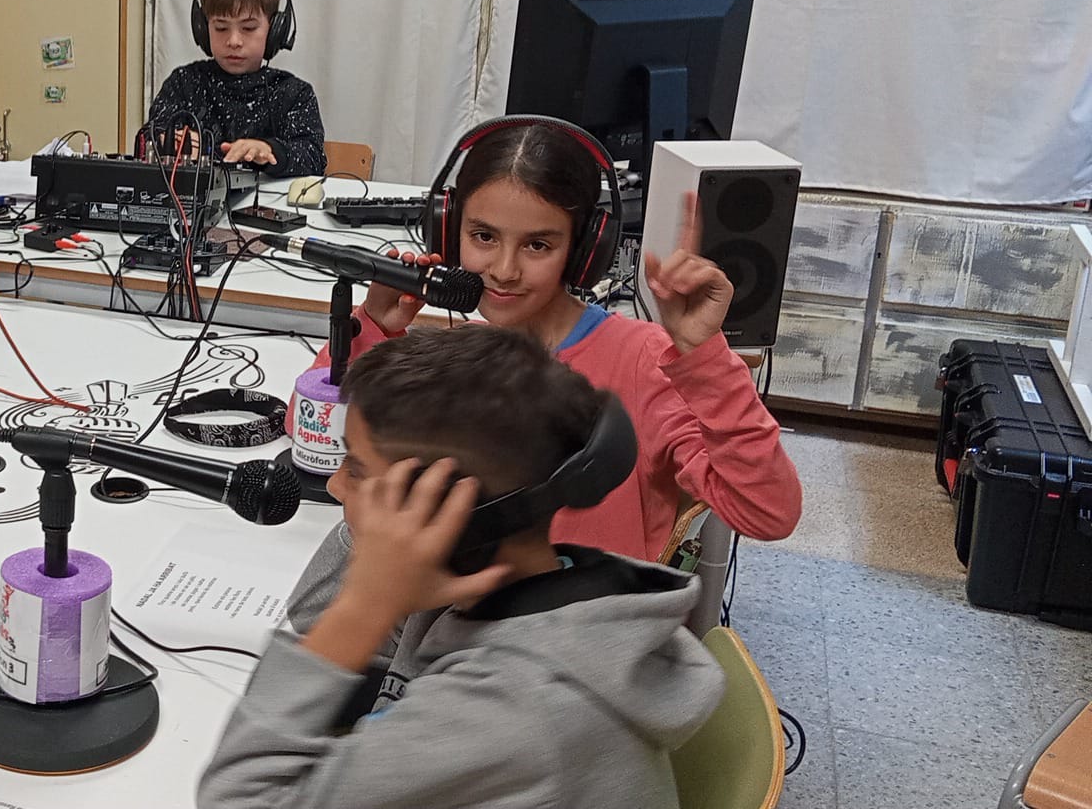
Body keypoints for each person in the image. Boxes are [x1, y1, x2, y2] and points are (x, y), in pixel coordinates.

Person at [201, 327, 725, 809]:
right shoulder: (523, 583)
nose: (335, 485)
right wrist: (376, 575)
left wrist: (365, 605)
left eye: (356, 469)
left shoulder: (513, 710)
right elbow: (314, 619)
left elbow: (240, 799)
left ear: (450, 513)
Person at [300, 117, 801, 560]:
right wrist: (374, 325)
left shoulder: (642, 361)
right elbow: (315, 437)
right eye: (483, 237)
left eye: (537, 245)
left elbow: (768, 513)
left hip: (578, 626)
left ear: (584, 251)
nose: (504, 270)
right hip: (462, 614)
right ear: (447, 231)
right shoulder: (458, 356)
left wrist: (704, 358)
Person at [147, 0, 325, 177]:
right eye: (221, 28)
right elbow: (148, 138)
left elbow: (313, 157)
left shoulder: (294, 93)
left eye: (248, 28)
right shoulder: (184, 83)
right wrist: (167, 142)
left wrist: (270, 151)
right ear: (202, 29)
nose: (234, 41)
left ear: (275, 31)